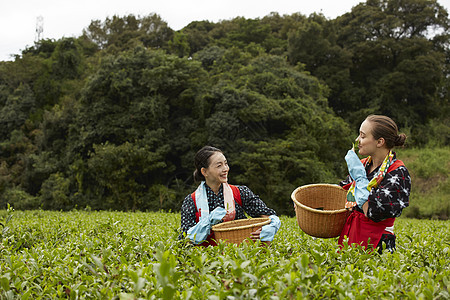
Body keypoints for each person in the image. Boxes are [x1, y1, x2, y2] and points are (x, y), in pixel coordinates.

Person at [338, 115, 411, 254]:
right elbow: (340, 194)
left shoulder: (397, 172)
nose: (357, 140)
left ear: (380, 142)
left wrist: (360, 180)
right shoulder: (363, 164)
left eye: (363, 136)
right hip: (351, 238)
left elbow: (373, 211)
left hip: (377, 244)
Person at [180, 146, 281, 246]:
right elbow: (185, 239)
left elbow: (267, 216)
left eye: (226, 164)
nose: (225, 169)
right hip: (206, 258)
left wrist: (271, 226)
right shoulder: (191, 201)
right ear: (204, 171)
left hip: (240, 255)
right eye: (219, 165)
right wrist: (208, 221)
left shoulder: (240, 192)